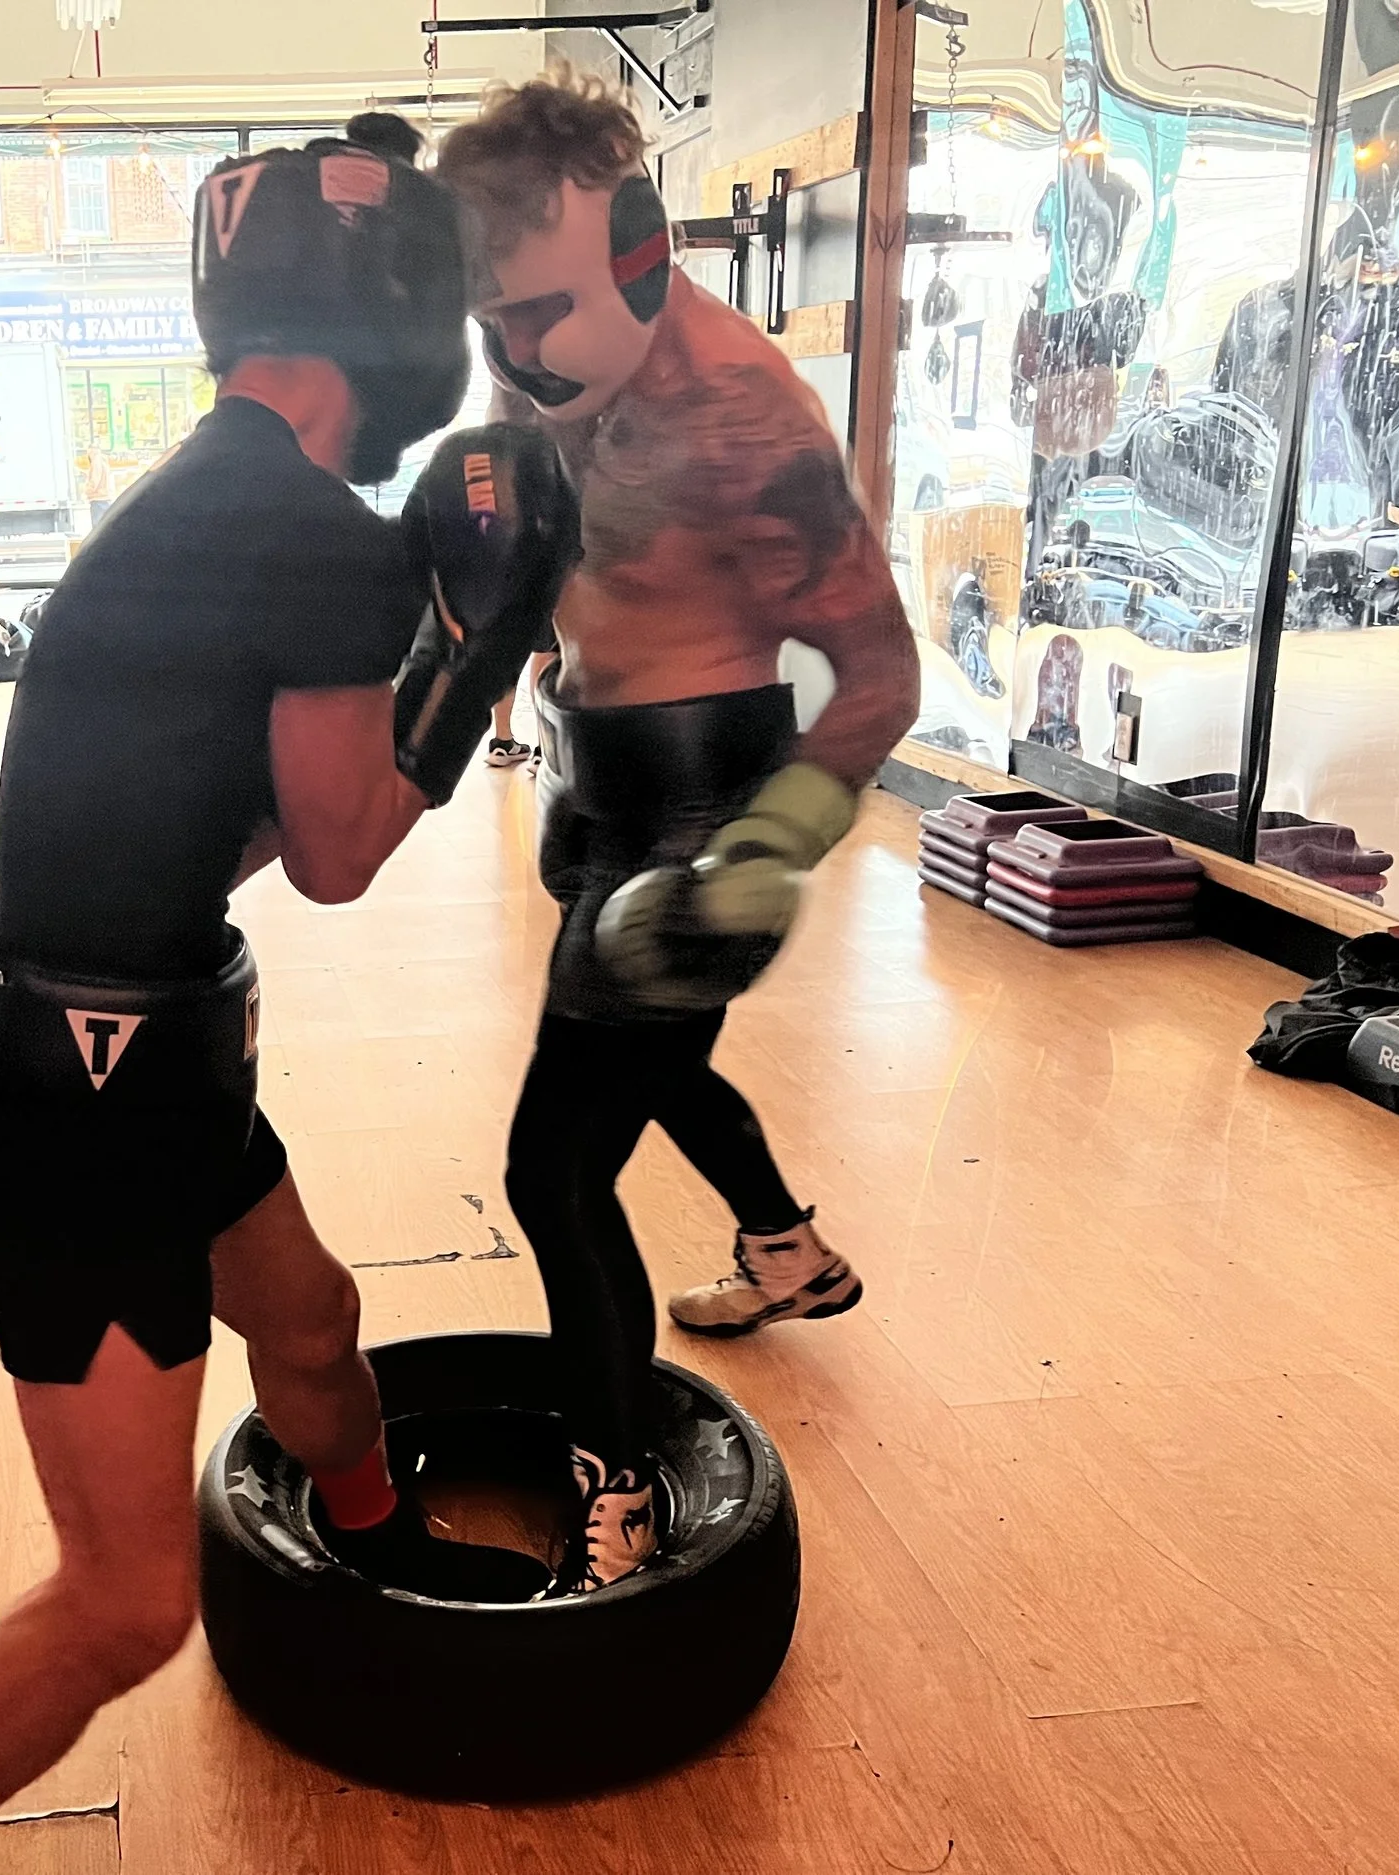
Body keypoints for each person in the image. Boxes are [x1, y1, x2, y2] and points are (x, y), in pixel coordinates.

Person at [0, 115, 576, 1875]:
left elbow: (212, 833)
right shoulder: (311, 539)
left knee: (310, 1327)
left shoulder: (197, 493)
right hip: (86, 1111)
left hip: (142, 1058)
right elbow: (345, 850)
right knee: (132, 1600)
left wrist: (432, 642)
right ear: (396, 323)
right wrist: (487, 636)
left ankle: (371, 1558)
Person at [436, 76, 920, 1591]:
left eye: (533, 316)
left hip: (712, 799)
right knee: (659, 1064)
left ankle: (620, 1500)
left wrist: (760, 854)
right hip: (595, 782)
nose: (512, 357)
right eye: (488, 322)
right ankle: (787, 1248)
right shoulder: (531, 365)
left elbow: (885, 674)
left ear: (631, 254)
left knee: (553, 1172)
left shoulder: (744, 411)